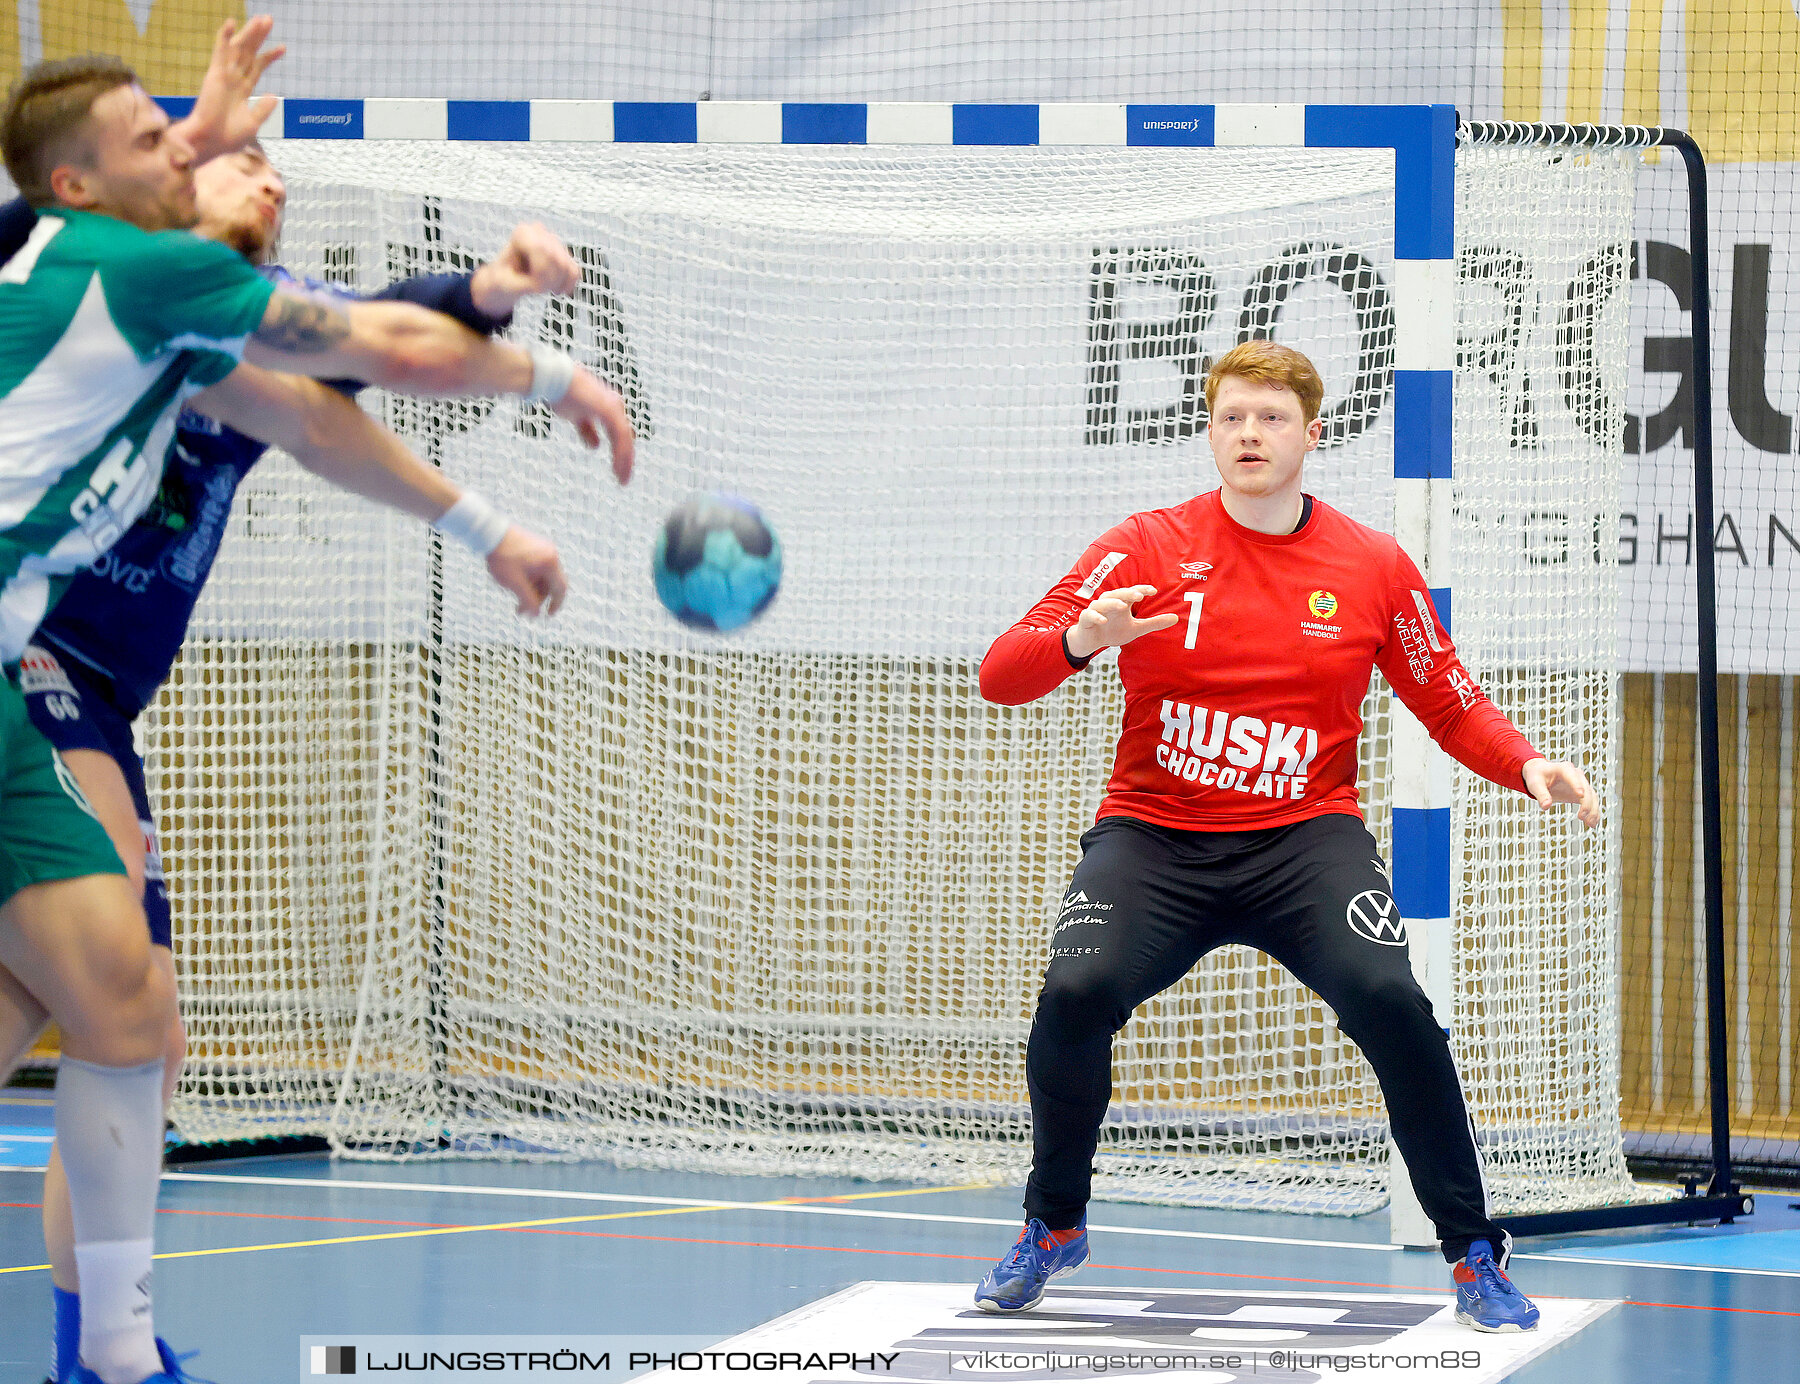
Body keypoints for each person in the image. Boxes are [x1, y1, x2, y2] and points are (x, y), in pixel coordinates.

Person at [0, 35, 628, 1384]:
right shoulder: (118, 268)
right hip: (42, 669)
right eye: (202, 156)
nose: (257, 181)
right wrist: (549, 372)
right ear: (103, 184)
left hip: (77, 688)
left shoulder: (185, 320)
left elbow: (327, 395)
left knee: (124, 1018)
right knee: (114, 987)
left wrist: (483, 498)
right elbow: (373, 342)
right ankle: (102, 1355)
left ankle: (105, 1352)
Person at [972, 339, 1599, 1334]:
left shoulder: (1371, 565)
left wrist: (1525, 763)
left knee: (1393, 997)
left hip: (1305, 842)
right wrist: (1081, 637)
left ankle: (1472, 1249)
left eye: (1270, 418)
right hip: (1156, 837)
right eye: (1230, 418)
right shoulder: (1141, 545)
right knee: (1074, 989)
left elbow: (1449, 699)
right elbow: (1000, 672)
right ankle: (1053, 1223)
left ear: (1313, 434)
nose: (1249, 434)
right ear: (1210, 431)